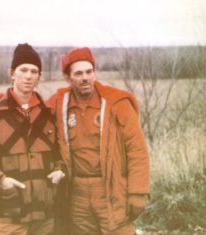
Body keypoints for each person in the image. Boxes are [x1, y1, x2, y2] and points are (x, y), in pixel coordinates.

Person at [0, 43, 65, 235]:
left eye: (34, 71)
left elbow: (61, 153)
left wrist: (59, 169)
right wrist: (1, 180)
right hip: (9, 215)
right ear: (12, 73)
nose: (28, 76)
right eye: (23, 70)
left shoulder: (48, 115)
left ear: (39, 77)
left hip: (45, 216)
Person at [47, 47, 150, 235]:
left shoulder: (117, 103)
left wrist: (137, 192)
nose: (85, 77)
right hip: (76, 191)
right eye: (78, 73)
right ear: (69, 78)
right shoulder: (59, 102)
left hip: (110, 189)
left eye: (89, 71)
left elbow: (137, 150)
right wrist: (2, 101)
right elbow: (32, 115)